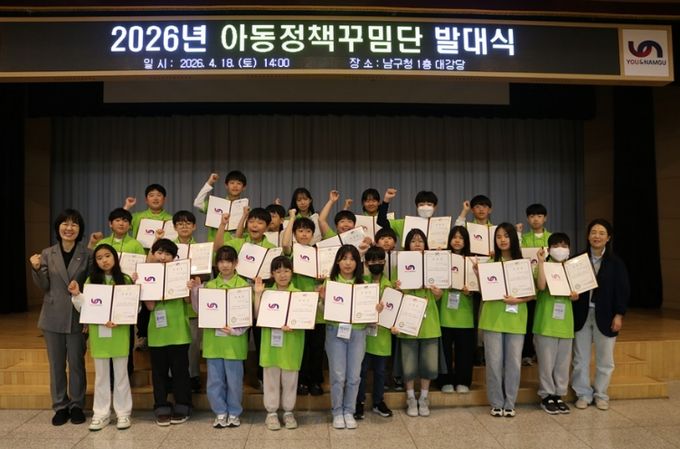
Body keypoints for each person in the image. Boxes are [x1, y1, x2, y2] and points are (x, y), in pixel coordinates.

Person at [29, 209, 91, 426]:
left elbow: (92, 286)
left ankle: (77, 405)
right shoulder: (47, 253)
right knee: (56, 365)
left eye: (74, 224)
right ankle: (60, 406)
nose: (69, 228)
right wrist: (36, 268)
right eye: (65, 223)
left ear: (80, 229)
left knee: (76, 364)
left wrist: (88, 317)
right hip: (52, 317)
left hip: (77, 316)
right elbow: (44, 285)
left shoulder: (88, 253)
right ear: (58, 228)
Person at [68, 244, 134, 430]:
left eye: (107, 256)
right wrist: (77, 294)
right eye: (99, 258)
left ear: (114, 257)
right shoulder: (91, 280)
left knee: (121, 375)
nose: (104, 260)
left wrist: (120, 319)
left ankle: (123, 413)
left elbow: (133, 306)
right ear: (95, 262)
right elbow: (83, 307)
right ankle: (101, 413)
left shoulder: (126, 279)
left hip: (120, 333)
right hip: (99, 333)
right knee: (101, 376)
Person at [571, 219, 630, 411]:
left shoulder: (616, 262)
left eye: (601, 233)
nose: (597, 236)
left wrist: (619, 315)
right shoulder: (577, 260)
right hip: (581, 314)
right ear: (588, 236)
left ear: (608, 238)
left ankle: (601, 395)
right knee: (580, 359)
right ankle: (583, 394)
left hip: (606, 315)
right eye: (593, 232)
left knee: (605, 360)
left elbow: (622, 290)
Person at [190, 245, 250, 428]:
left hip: (234, 343)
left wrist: (236, 331)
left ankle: (234, 412)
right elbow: (199, 311)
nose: (225, 265)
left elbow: (247, 316)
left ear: (236, 263)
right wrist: (195, 291)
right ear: (216, 264)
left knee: (234, 382)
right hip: (213, 344)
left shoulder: (243, 286)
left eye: (229, 261)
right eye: (221, 261)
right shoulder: (209, 286)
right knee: (215, 381)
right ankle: (220, 412)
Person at [478, 223, 533, 418]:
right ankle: (496, 402)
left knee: (514, 363)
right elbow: (484, 293)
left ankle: (510, 402)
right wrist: (478, 275)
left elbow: (533, 294)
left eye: (506, 236)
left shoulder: (523, 264)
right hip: (492, 319)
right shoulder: (489, 264)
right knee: (493, 363)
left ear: (513, 238)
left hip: (515, 319)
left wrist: (518, 300)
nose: (502, 240)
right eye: (499, 236)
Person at [322, 245, 376, 429]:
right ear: (338, 261)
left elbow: (370, 312)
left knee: (354, 376)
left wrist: (375, 310)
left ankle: (349, 411)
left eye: (352, 259)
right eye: (344, 258)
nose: (348, 263)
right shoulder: (330, 283)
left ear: (357, 263)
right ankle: (337, 412)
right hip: (335, 332)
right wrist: (322, 300)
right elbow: (322, 312)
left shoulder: (364, 284)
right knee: (338, 375)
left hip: (358, 332)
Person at [143, 239, 192, 426]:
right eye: (159, 252)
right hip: (157, 333)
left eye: (168, 254)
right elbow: (150, 306)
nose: (163, 257)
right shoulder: (147, 275)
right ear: (153, 254)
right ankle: (161, 405)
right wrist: (146, 286)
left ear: (174, 257)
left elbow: (188, 301)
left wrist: (189, 288)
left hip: (179, 332)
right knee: (159, 373)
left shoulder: (181, 273)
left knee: (181, 372)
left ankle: (183, 404)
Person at [253, 256, 304, 430]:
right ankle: (271, 413)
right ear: (272, 274)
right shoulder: (266, 293)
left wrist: (294, 324)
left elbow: (304, 319)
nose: (283, 275)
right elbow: (258, 315)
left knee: (290, 380)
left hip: (292, 344)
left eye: (286, 271)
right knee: (271, 380)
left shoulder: (299, 294)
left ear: (292, 273)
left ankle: (288, 412)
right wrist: (258, 294)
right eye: (278, 271)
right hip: (271, 345)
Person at [396, 229, 443, 418]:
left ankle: (424, 397)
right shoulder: (400, 264)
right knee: (408, 364)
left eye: (420, 241)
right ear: (407, 245)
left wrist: (438, 293)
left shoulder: (434, 264)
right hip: (408, 319)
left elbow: (439, 295)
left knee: (429, 364)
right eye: (413, 241)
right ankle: (410, 397)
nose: (417, 244)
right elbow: (396, 293)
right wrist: (398, 288)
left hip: (429, 320)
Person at [123, 184, 173, 351]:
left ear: (164, 199)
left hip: (163, 266)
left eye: (159, 195)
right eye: (151, 195)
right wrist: (127, 207)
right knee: (143, 301)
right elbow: (121, 223)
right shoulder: (137, 216)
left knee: (159, 301)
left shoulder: (171, 219)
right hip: (142, 264)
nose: (155, 198)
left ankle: (162, 335)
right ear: (146, 199)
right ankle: (142, 335)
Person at [282, 212, 325, 396]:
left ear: (313, 234)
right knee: (300, 347)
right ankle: (301, 381)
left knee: (316, 347)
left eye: (308, 231)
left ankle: (315, 381)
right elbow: (285, 244)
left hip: (317, 310)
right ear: (295, 233)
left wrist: (322, 285)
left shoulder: (320, 253)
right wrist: (292, 218)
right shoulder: (292, 252)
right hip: (297, 308)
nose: (304, 234)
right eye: (300, 231)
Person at [534, 233, 578, 415]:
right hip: (545, 323)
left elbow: (577, 293)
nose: (560, 249)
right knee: (546, 363)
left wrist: (575, 295)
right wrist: (541, 262)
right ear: (549, 248)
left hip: (565, 324)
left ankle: (559, 394)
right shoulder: (543, 266)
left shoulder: (572, 268)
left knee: (562, 363)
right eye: (556, 245)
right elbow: (541, 286)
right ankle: (546, 396)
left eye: (564, 245)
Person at [355, 246, 394, 420]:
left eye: (379, 260)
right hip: (363, 335)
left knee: (380, 372)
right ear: (366, 263)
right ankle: (359, 402)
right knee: (361, 372)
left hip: (383, 336)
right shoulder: (361, 283)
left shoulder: (391, 286)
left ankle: (378, 402)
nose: (376, 263)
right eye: (371, 260)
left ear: (384, 262)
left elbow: (395, 311)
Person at [437, 226, 475, 394]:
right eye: (454, 237)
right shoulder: (442, 259)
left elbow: (480, 287)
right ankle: (444, 380)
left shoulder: (472, 261)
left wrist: (471, 290)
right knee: (444, 350)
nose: (457, 240)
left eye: (461, 237)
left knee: (464, 350)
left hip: (465, 314)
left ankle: (463, 381)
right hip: (444, 312)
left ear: (466, 241)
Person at [193, 171, 248, 242]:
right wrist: (209, 182)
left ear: (244, 187)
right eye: (232, 183)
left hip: (235, 246)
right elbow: (197, 203)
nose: (235, 186)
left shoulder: (246, 209)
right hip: (215, 245)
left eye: (239, 183)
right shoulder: (216, 203)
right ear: (226, 185)